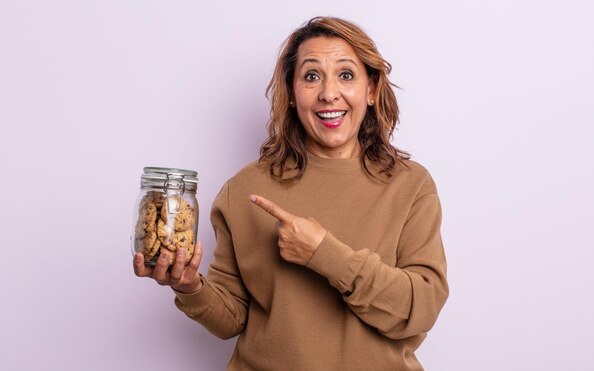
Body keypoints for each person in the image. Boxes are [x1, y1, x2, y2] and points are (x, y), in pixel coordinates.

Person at [134, 16, 449, 371]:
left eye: (346, 75)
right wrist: (190, 286)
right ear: (291, 92)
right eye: (311, 76)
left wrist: (324, 254)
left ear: (372, 90)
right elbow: (232, 320)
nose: (329, 92)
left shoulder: (410, 185)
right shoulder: (245, 191)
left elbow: (419, 310)